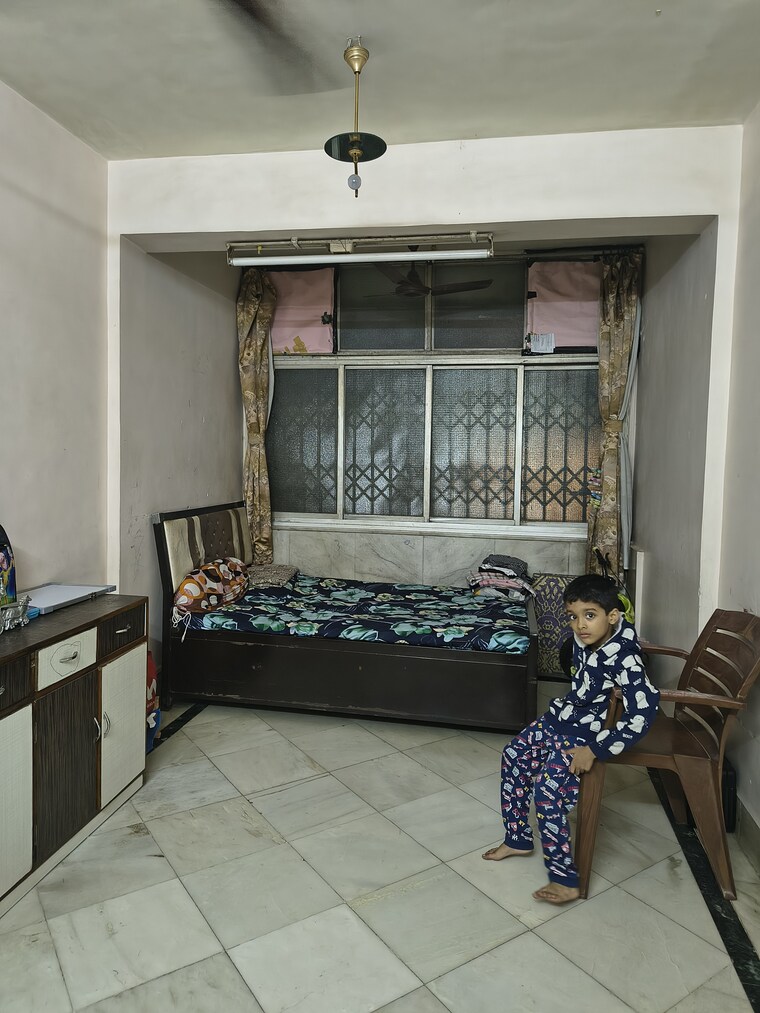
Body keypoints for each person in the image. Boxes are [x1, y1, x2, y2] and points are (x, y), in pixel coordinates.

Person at [482, 573, 659, 904]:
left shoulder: (626, 659)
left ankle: (564, 879)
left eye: (590, 615)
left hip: (587, 734)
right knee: (514, 755)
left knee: (548, 791)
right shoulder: (583, 641)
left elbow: (643, 714)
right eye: (573, 616)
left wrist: (595, 749)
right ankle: (518, 838)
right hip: (563, 718)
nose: (580, 625)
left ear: (612, 616)